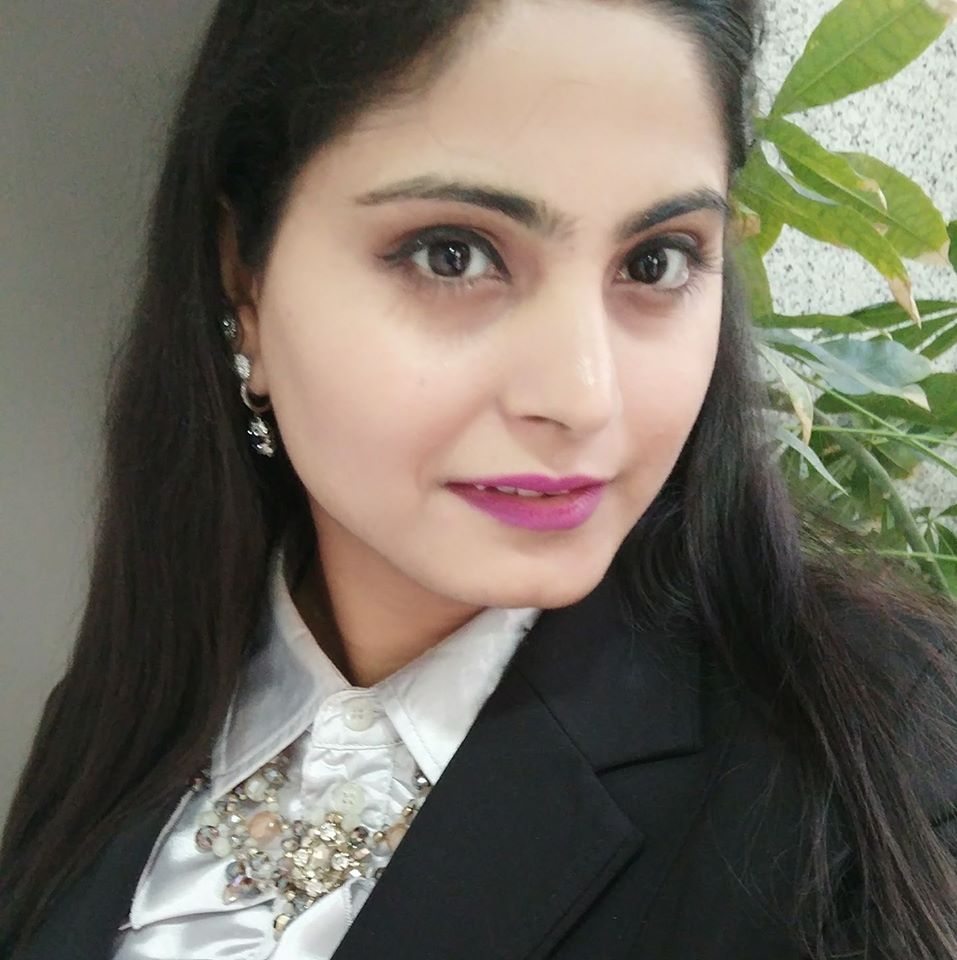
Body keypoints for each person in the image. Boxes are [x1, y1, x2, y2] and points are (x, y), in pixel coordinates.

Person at [2, 0, 956, 957]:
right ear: (243, 279)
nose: (583, 398)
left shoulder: (881, 761)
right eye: (451, 255)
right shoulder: (121, 710)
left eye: (654, 261)